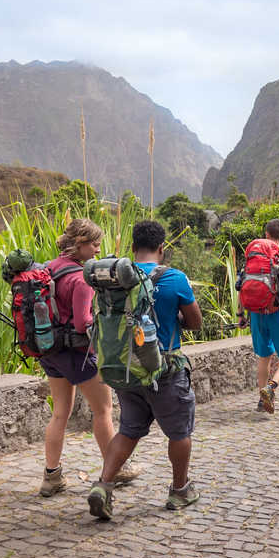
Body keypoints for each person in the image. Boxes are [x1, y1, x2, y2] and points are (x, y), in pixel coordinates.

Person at [87, 221, 203, 520]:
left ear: (132, 248)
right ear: (162, 248)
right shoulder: (175, 278)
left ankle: (104, 485)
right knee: (179, 432)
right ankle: (180, 490)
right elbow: (195, 322)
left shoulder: (118, 280)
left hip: (126, 368)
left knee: (128, 429)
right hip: (164, 371)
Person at [38, 219, 139, 496]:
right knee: (103, 410)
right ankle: (114, 469)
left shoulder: (49, 267)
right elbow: (83, 323)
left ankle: (52, 476)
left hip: (51, 350)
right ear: (80, 243)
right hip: (77, 353)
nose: (97, 250)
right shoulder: (80, 278)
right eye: (94, 244)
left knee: (60, 412)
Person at [237, 218, 279, 414]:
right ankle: (270, 388)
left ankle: (261, 400)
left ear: (266, 234)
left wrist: (241, 314)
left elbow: (243, 285)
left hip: (256, 313)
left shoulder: (253, 255)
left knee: (264, 357)